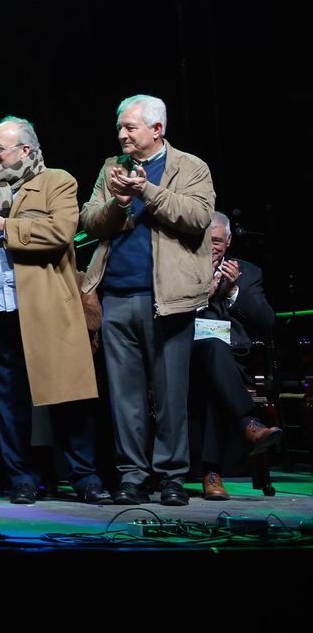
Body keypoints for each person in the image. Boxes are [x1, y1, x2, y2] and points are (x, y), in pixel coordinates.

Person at [0, 118, 108, 505]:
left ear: (26, 151)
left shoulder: (57, 181)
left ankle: (85, 479)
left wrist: (4, 224)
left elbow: (60, 233)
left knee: (66, 398)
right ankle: (20, 478)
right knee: (9, 401)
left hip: (48, 312)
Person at [81, 94, 214, 506]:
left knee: (171, 394)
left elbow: (198, 217)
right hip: (118, 296)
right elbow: (89, 220)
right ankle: (131, 476)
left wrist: (148, 191)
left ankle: (172, 476)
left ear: (157, 129)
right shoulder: (110, 168)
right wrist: (119, 203)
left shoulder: (190, 167)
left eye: (130, 127)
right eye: (120, 127)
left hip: (168, 298)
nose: (121, 134)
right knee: (125, 398)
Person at [192, 212, 282, 499]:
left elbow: (267, 321)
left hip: (234, 363)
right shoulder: (184, 267)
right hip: (189, 357)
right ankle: (249, 426)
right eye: (207, 240)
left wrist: (234, 293)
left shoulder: (248, 272)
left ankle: (212, 473)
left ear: (229, 240)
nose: (213, 246)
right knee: (212, 348)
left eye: (218, 240)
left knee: (216, 375)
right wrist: (201, 296)